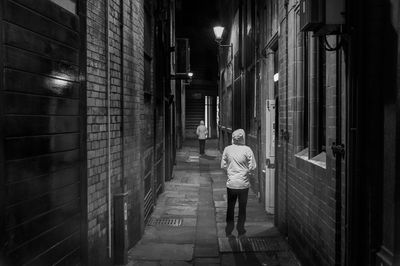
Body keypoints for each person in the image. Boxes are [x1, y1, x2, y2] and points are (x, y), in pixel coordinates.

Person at [220, 129, 256, 237]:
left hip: (231, 184)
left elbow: (223, 166)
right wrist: (246, 172)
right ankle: (240, 229)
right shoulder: (247, 150)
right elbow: (253, 166)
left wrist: (230, 172)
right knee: (242, 208)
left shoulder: (227, 149)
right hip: (243, 184)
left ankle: (229, 228)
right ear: (243, 137)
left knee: (230, 207)